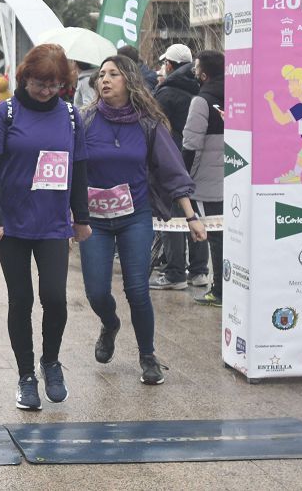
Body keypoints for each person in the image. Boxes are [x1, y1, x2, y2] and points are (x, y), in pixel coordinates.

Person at [78, 54, 206, 385]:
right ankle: (110, 323)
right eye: (101, 74)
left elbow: (173, 171)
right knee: (96, 292)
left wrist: (191, 216)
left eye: (113, 74)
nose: (104, 80)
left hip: (134, 215)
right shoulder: (86, 120)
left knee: (137, 289)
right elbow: (70, 169)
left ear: (129, 81)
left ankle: (147, 356)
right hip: (95, 221)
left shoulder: (148, 124)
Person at [0, 45, 91, 410]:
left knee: (55, 298)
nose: (46, 91)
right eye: (40, 83)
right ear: (25, 77)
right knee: (22, 299)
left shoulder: (72, 117)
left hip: (53, 222)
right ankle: (26, 375)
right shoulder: (6, 113)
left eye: (55, 85)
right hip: (11, 223)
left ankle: (50, 362)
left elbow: (79, 170)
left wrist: (82, 218)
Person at [150, 43, 207, 291]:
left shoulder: (166, 92)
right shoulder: (202, 90)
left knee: (173, 215)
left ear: (170, 65)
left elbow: (154, 129)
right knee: (195, 214)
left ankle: (175, 273)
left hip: (172, 162)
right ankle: (199, 271)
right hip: (198, 162)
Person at [183, 51, 225, 307]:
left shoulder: (202, 101)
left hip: (208, 181)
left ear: (204, 73)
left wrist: (184, 177)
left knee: (217, 237)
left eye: (197, 69)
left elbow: (191, 144)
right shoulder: (242, 95)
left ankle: (219, 290)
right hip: (235, 178)